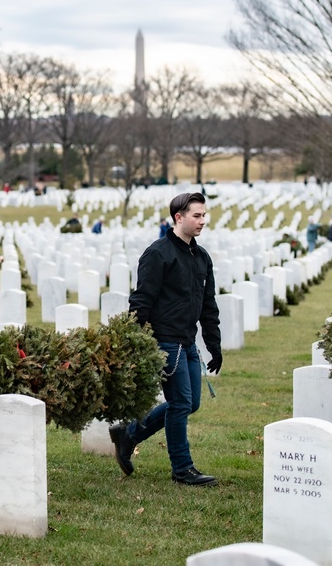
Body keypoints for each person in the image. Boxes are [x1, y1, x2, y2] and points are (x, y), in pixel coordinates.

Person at [109, 192, 223, 487]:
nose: (202, 221)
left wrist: (214, 344)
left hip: (188, 342)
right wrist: (136, 343)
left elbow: (207, 304)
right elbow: (142, 300)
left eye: (204, 215)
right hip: (165, 341)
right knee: (180, 402)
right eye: (196, 216)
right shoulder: (158, 253)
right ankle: (182, 468)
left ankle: (129, 434)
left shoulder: (202, 257)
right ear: (179, 217)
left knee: (190, 403)